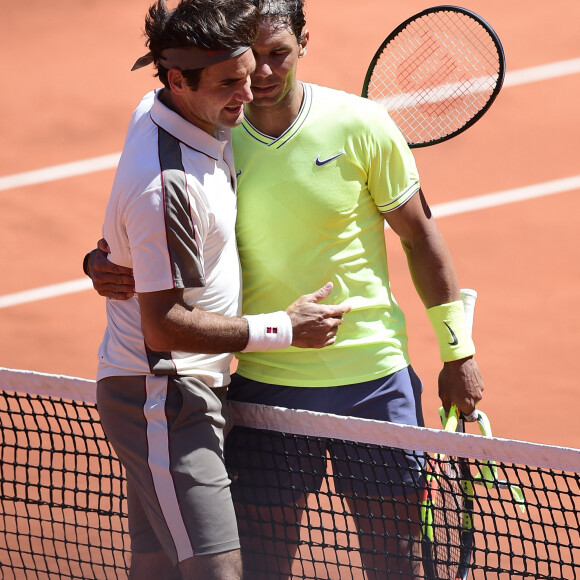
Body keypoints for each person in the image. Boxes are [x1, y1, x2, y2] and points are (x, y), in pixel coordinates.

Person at [87, 0, 484, 577]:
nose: (263, 78)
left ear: (304, 42)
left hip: (372, 378)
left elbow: (421, 237)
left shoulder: (361, 124)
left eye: (279, 56)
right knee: (263, 564)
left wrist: (458, 352)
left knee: (394, 562)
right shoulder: (214, 129)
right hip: (261, 385)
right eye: (252, 63)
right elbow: (147, 215)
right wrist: (99, 260)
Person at [88, 1, 351, 579]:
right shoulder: (169, 186)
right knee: (220, 572)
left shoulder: (165, 112)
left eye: (250, 69)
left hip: (171, 390)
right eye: (229, 82)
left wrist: (101, 258)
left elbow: (130, 232)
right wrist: (283, 328)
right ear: (178, 79)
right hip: (163, 396)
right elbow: (164, 324)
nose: (248, 90)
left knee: (157, 568)